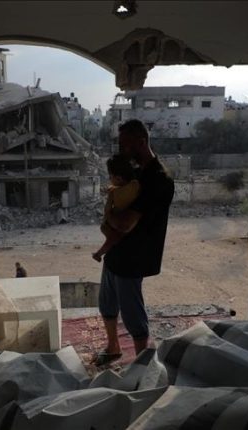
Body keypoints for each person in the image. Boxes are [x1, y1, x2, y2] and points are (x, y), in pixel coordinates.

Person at [92, 119, 174, 366]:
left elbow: (125, 223)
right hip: (117, 251)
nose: (122, 150)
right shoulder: (136, 174)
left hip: (134, 256)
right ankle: (113, 347)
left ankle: (142, 364)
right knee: (107, 304)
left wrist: (108, 215)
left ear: (141, 141)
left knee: (132, 313)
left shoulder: (158, 179)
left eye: (125, 144)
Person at [92, 154, 140, 262]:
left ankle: (99, 254)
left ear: (118, 178)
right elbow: (122, 187)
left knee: (109, 237)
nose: (109, 179)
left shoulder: (114, 193)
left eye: (110, 177)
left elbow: (107, 210)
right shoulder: (135, 184)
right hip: (129, 219)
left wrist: (110, 194)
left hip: (117, 220)